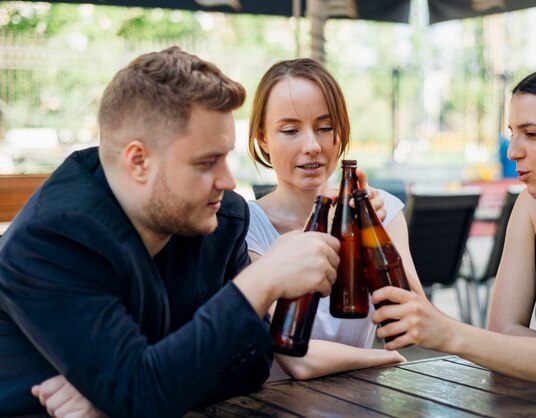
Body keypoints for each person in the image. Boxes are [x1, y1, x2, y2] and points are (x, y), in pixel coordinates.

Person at [0, 47, 340, 417]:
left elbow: (253, 364)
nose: (228, 181)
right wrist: (261, 281)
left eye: (226, 156)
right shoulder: (55, 239)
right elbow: (143, 395)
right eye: (207, 162)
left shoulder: (221, 217)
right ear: (139, 161)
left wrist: (124, 390)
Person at [370, 60, 536, 393]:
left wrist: (448, 332)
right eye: (512, 134)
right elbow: (504, 332)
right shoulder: (534, 207)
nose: (514, 151)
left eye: (531, 134)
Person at [246, 58, 423, 381]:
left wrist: (373, 234)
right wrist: (384, 359)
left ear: (340, 134)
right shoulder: (245, 228)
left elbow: (414, 320)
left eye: (325, 128)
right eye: (290, 130)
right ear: (262, 139)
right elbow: (298, 358)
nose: (312, 146)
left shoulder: (381, 209)